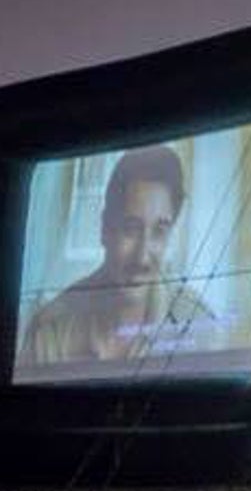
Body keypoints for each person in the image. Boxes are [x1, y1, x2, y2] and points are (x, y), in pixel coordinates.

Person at [18, 145, 214, 366]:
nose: (142, 258)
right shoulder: (49, 331)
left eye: (159, 232)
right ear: (105, 228)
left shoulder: (198, 325)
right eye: (130, 228)